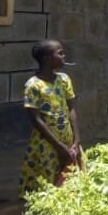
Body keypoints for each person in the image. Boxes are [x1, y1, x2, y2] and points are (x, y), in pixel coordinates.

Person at [19, 40, 82, 197]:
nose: (64, 56)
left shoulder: (64, 79)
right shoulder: (33, 85)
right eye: (60, 53)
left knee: (72, 179)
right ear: (47, 58)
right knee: (48, 184)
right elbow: (36, 120)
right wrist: (59, 146)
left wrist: (76, 140)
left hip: (68, 140)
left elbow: (71, 109)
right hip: (46, 143)